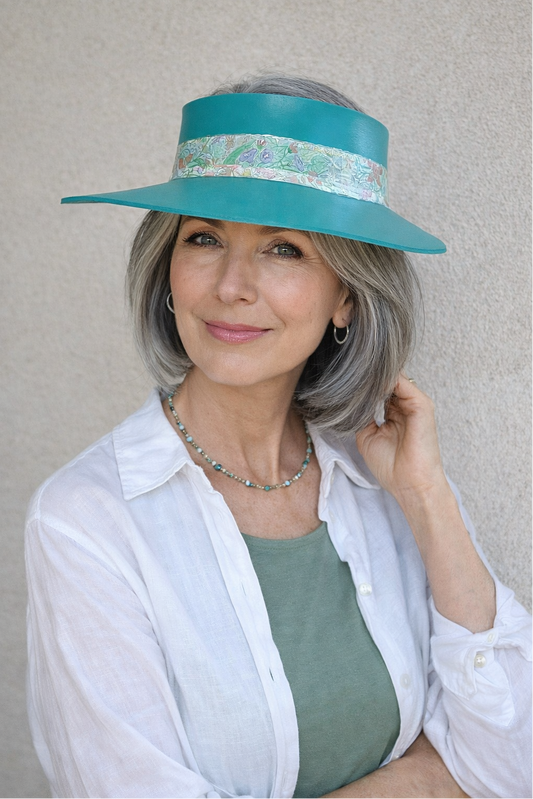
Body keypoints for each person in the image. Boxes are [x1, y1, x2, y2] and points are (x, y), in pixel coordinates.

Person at [25, 74, 533, 799]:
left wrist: (426, 496)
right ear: (167, 273)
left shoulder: (385, 484)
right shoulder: (86, 519)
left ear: (346, 297)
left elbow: (510, 758)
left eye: (284, 249)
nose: (230, 285)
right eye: (203, 238)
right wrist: (424, 780)